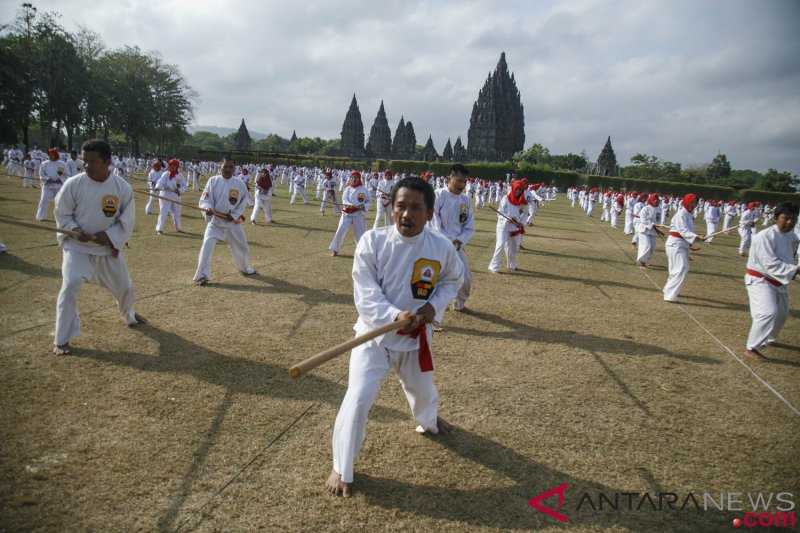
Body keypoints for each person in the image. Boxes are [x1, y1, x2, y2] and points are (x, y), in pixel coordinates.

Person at [326, 177, 464, 497]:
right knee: (358, 398)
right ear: (391, 210)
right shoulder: (372, 242)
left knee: (423, 389)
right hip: (374, 338)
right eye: (401, 206)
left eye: (416, 208)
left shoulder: (440, 246)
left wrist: (433, 307)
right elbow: (365, 291)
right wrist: (393, 316)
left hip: (416, 339)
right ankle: (341, 467)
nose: (407, 214)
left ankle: (429, 420)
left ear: (429, 214)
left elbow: (452, 280)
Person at [52, 139, 145, 356]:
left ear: (107, 162)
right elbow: (61, 213)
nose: (87, 166)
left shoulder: (122, 188)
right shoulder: (73, 184)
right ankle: (61, 339)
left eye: (92, 161)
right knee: (71, 284)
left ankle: (129, 314)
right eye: (85, 161)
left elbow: (127, 221)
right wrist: (74, 229)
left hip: (106, 249)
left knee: (125, 287)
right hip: (77, 248)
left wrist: (108, 236)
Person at [743, 203, 799, 359]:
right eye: (785, 218)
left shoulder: (793, 237)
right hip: (760, 279)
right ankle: (751, 347)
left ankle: (767, 338)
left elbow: (791, 258)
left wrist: (794, 270)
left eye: (793, 219)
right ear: (775, 218)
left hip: (778, 281)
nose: (789, 222)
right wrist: (795, 270)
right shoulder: (764, 236)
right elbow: (770, 264)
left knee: (782, 314)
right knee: (767, 313)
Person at [193, 157, 257, 285]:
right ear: (220, 167)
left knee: (242, 246)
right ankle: (202, 276)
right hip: (215, 222)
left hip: (232, 223)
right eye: (225, 167)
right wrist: (208, 208)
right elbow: (205, 199)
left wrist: (233, 215)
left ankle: (245, 268)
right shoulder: (213, 181)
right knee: (207, 246)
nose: (228, 169)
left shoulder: (239, 184)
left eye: (230, 167)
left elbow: (243, 202)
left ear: (234, 168)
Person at [431, 164, 474, 311]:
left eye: (464, 181)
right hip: (437, 243)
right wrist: (447, 240)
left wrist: (459, 241)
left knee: (466, 278)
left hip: (457, 245)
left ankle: (459, 303)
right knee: (433, 278)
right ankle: (430, 309)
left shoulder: (466, 200)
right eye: (459, 180)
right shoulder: (438, 195)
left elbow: (469, 226)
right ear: (450, 178)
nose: (462, 184)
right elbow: (434, 220)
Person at [662, 194, 704, 302]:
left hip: (680, 244)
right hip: (675, 244)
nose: (693, 205)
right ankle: (669, 295)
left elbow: (687, 231)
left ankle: (668, 290)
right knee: (681, 268)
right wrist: (696, 237)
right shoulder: (681, 214)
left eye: (695, 203)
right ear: (686, 202)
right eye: (691, 203)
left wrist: (696, 237)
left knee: (675, 270)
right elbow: (683, 231)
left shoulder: (689, 215)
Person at [488, 179, 528, 273]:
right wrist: (508, 218)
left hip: (515, 227)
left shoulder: (523, 202)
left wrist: (521, 222)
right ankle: (494, 267)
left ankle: (511, 265)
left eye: (520, 190)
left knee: (514, 247)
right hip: (503, 226)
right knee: (500, 245)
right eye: (517, 189)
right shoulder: (505, 199)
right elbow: (500, 213)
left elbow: (525, 214)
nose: (518, 191)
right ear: (513, 189)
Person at [329, 171, 370, 257]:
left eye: (356, 178)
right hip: (347, 213)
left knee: (360, 234)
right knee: (340, 231)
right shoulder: (347, 189)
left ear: (359, 179)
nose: (354, 179)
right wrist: (350, 205)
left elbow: (368, 201)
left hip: (358, 214)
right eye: (353, 178)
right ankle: (335, 249)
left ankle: (362, 251)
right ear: (350, 179)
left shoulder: (364, 189)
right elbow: (344, 199)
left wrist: (362, 207)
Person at [154, 159, 185, 234]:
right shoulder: (166, 174)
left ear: (177, 167)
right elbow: (160, 182)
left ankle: (178, 228)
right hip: (165, 194)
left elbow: (184, 185)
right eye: (170, 165)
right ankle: (159, 229)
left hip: (175, 195)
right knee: (163, 211)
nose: (172, 167)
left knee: (177, 212)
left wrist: (180, 190)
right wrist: (157, 187)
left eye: (174, 166)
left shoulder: (180, 175)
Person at [36, 148, 67, 221]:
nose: (50, 156)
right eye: (49, 154)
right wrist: (47, 179)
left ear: (55, 155)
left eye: (52, 154)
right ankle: (41, 217)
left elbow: (64, 174)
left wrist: (60, 179)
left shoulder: (61, 164)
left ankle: (61, 217)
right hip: (47, 186)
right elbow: (41, 174)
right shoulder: (44, 163)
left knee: (60, 202)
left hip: (58, 186)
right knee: (43, 200)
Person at [635, 193, 662, 266]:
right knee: (646, 246)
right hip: (644, 230)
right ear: (651, 200)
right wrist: (652, 225)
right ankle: (641, 261)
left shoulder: (659, 210)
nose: (656, 201)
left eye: (657, 200)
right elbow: (643, 219)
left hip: (652, 231)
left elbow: (658, 221)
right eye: (654, 200)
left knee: (652, 247)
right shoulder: (645, 208)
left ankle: (645, 260)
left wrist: (658, 229)